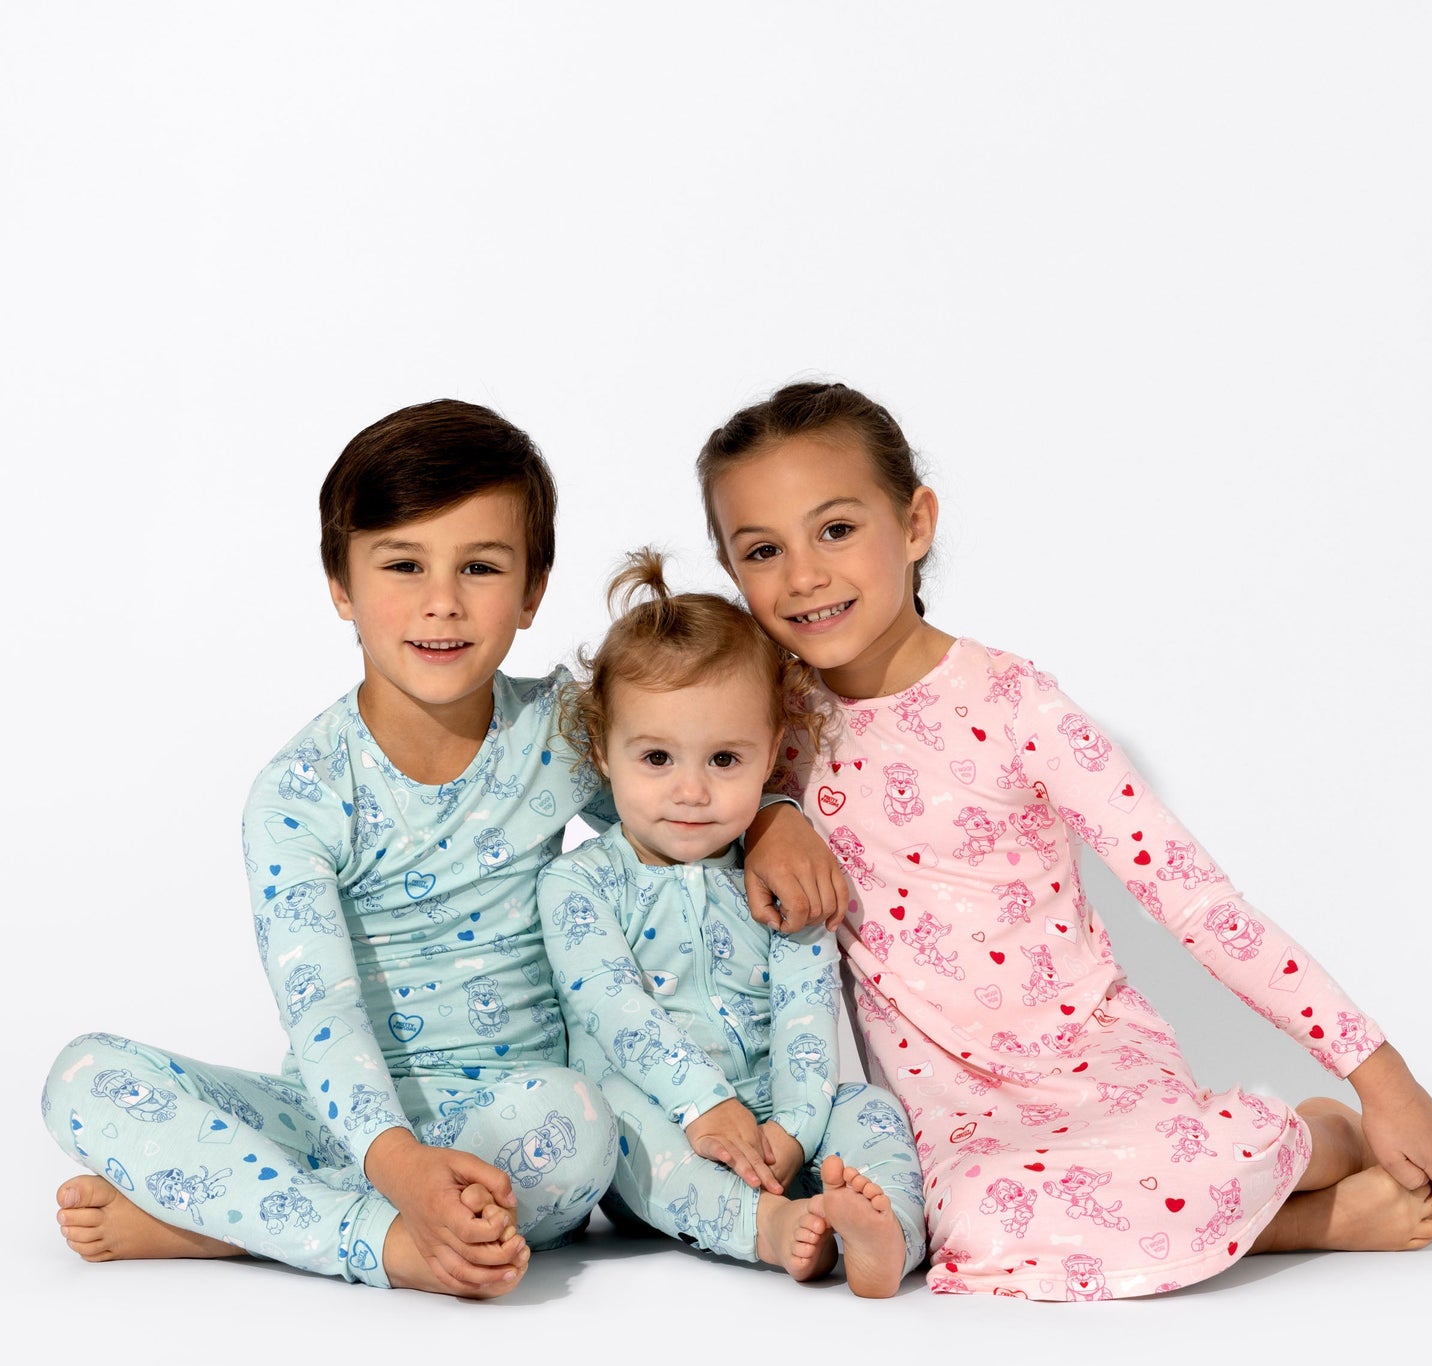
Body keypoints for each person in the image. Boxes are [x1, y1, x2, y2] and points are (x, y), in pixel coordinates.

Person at [694, 380, 1432, 1300]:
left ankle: (1321, 1137)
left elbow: (1198, 903)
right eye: (763, 550)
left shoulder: (1014, 705)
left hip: (1092, 1057)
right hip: (953, 1108)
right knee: (979, 1222)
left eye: (835, 530)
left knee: (1168, 1163)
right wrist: (769, 814)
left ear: (915, 524)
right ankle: (1307, 1219)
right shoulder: (762, 724)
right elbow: (648, 777)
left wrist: (1380, 1078)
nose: (803, 576)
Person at [43, 398, 842, 1298]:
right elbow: (321, 1010)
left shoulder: (563, 729)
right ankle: (381, 1237)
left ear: (532, 590)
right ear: (340, 584)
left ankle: (235, 1221)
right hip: (342, 1120)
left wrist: (774, 815)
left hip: (513, 1125)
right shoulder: (300, 792)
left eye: (481, 567)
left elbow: (686, 796)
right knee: (83, 1078)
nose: (442, 601)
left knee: (580, 1125)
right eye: (403, 565)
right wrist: (397, 1164)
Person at [540, 550, 926, 1295]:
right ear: (603, 752)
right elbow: (614, 1009)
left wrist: (795, 1131)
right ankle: (769, 1229)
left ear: (771, 753)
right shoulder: (578, 884)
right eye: (657, 757)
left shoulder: (777, 877)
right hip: (659, 1115)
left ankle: (889, 1233)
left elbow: (807, 1015)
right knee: (619, 1125)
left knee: (870, 1109)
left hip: (777, 1117)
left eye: (723, 759)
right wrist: (704, 1105)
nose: (691, 791)